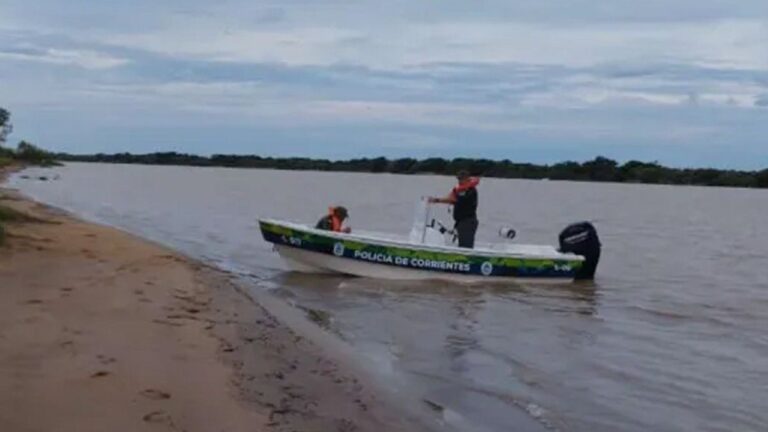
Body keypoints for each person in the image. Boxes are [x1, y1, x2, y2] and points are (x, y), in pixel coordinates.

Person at [429, 171, 479, 248]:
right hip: (461, 222)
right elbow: (452, 197)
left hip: (468, 222)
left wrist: (437, 200)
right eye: (458, 179)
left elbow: (453, 199)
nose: (459, 181)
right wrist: (436, 200)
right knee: (462, 243)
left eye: (461, 179)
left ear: (467, 179)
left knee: (465, 246)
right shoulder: (460, 190)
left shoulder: (470, 191)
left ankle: (465, 258)